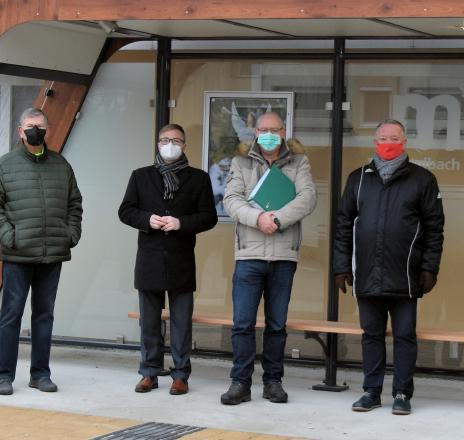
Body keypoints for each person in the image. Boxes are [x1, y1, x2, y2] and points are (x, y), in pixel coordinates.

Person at [333, 119, 444, 416]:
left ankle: (402, 393)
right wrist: (341, 265)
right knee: (371, 334)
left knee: (405, 335)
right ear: (375, 141)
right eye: (383, 137)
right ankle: (371, 391)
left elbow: (435, 228)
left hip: (406, 274)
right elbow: (343, 224)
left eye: (394, 138)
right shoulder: (357, 178)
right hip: (367, 272)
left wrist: (430, 267)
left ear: (404, 142)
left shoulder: (422, 179)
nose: (388, 142)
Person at [0, 108, 84, 396]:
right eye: (29, 126)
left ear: (47, 130)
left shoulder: (61, 165)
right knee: (11, 316)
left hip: (52, 254)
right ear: (20, 131)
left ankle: (40, 374)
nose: (34, 131)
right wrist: (9, 236)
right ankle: (4, 376)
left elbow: (74, 204)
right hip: (17, 254)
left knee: (44, 316)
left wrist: (70, 234)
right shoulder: (5, 166)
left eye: (39, 126)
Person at [219, 112, 317, 405]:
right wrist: (259, 218)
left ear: (284, 131)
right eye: (264, 130)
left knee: (276, 325)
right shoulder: (241, 162)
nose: (269, 134)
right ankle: (240, 382)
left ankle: (273, 381)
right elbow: (231, 201)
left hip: (284, 255)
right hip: (249, 254)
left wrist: (276, 219)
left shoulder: (299, 162)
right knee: (243, 324)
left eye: (274, 130)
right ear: (255, 131)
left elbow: (308, 198)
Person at [118, 124, 218, 395]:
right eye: (165, 140)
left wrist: (181, 223)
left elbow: (209, 216)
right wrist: (146, 220)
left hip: (181, 259)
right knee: (149, 322)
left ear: (184, 145)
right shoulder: (141, 176)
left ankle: (181, 374)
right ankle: (149, 372)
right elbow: (125, 211)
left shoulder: (199, 178)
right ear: (157, 144)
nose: (170, 144)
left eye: (175, 140)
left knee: (181, 323)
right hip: (149, 260)